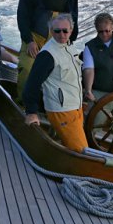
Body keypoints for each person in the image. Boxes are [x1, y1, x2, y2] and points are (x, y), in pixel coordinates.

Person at [16, 0, 79, 98]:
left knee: (60, 73)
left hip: (56, 39)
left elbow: (73, 18)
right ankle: (23, 104)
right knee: (27, 69)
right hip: (34, 37)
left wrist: (69, 43)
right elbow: (22, 17)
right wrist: (29, 41)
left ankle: (51, 107)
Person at [22, 14, 88, 153]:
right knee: (81, 151)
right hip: (62, 110)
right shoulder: (47, 55)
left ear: (71, 30)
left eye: (65, 31)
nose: (61, 34)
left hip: (76, 106)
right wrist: (31, 112)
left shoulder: (69, 47)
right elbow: (32, 84)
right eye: (57, 31)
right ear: (51, 31)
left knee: (71, 145)